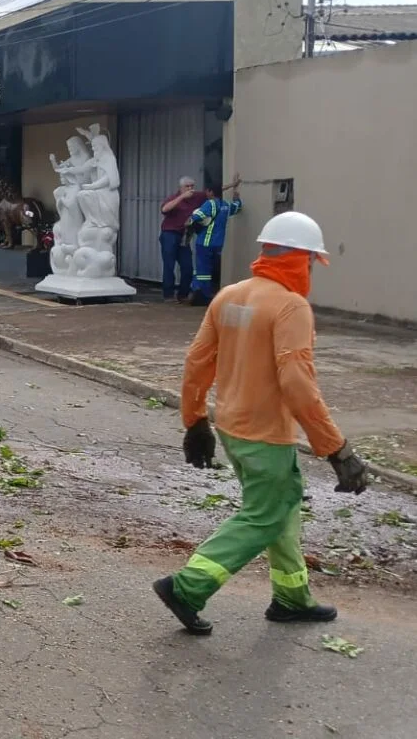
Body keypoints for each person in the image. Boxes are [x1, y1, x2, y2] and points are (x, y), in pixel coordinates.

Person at [153, 211, 368, 635]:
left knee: (280, 509)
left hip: (233, 427)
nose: (310, 271)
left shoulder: (229, 296)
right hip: (266, 434)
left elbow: (197, 361)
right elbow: (298, 385)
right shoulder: (291, 307)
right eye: (310, 262)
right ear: (299, 259)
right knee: (263, 516)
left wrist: (196, 421)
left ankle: (292, 598)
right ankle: (187, 587)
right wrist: (336, 448)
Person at [186, 176, 243, 307]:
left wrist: (190, 220)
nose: (206, 193)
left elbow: (197, 216)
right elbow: (237, 207)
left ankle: (203, 296)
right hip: (218, 244)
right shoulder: (226, 205)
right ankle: (198, 291)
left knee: (202, 270)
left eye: (207, 191)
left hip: (205, 242)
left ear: (211, 192)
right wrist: (237, 197)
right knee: (207, 269)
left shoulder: (210, 204)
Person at [160, 176, 204, 302]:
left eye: (192, 186)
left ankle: (183, 294)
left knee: (187, 266)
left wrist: (232, 185)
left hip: (184, 235)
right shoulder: (174, 198)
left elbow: (212, 193)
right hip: (170, 234)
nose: (190, 189)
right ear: (181, 188)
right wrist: (181, 197)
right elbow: (164, 209)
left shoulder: (196, 197)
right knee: (169, 265)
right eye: (187, 186)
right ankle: (168, 294)